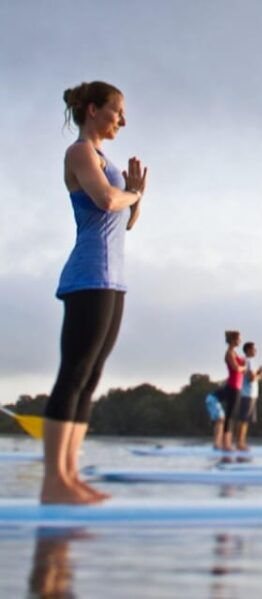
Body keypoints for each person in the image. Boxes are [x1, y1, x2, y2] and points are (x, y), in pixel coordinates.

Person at [41, 81, 148, 504]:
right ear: (92, 109)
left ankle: (69, 476)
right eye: (116, 110)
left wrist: (140, 196)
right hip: (88, 275)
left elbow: (126, 220)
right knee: (74, 374)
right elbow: (105, 201)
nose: (122, 119)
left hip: (112, 278)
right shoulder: (80, 152)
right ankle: (53, 483)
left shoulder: (105, 158)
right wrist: (132, 193)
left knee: (90, 379)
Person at [215, 330, 246, 451]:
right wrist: (244, 367)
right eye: (239, 339)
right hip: (232, 386)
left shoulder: (234, 353)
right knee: (230, 415)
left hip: (237, 386)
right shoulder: (229, 353)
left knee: (232, 415)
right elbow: (236, 368)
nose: (240, 341)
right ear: (233, 340)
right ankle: (225, 444)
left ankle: (228, 442)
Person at [235, 341, 262, 451]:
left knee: (245, 420)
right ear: (248, 350)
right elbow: (252, 378)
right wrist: (260, 374)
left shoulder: (248, 361)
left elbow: (251, 376)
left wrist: (258, 373)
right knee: (243, 419)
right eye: (253, 349)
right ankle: (239, 443)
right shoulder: (249, 361)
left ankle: (241, 442)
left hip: (250, 394)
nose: (255, 350)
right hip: (247, 394)